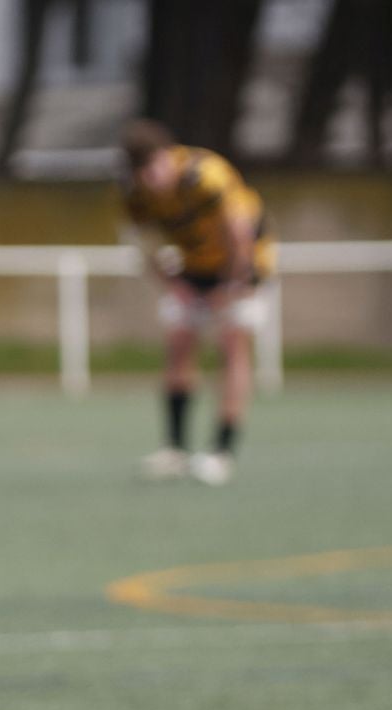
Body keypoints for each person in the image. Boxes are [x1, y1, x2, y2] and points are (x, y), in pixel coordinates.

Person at [119, 118, 277, 487]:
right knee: (178, 344)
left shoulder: (205, 175)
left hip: (244, 262)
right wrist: (173, 285)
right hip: (192, 266)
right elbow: (145, 247)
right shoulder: (134, 193)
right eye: (143, 172)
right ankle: (174, 449)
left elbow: (239, 232)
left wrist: (232, 284)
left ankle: (221, 452)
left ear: (168, 155)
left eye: (154, 167)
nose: (152, 179)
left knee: (231, 345)